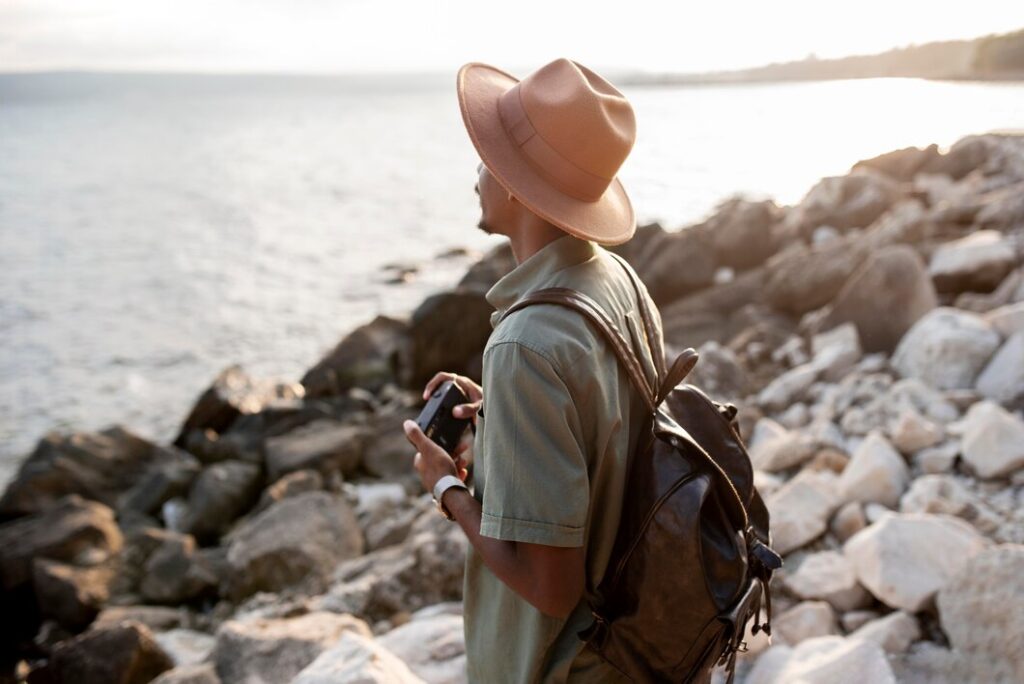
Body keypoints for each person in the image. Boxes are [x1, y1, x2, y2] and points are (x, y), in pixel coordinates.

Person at [402, 58, 665, 683]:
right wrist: (499, 417)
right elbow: (610, 434)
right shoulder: (614, 277)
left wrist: (447, 490)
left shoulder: (523, 346)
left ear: (519, 187)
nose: (475, 173)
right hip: (635, 639)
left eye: (487, 156)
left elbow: (550, 590)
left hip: (562, 666)